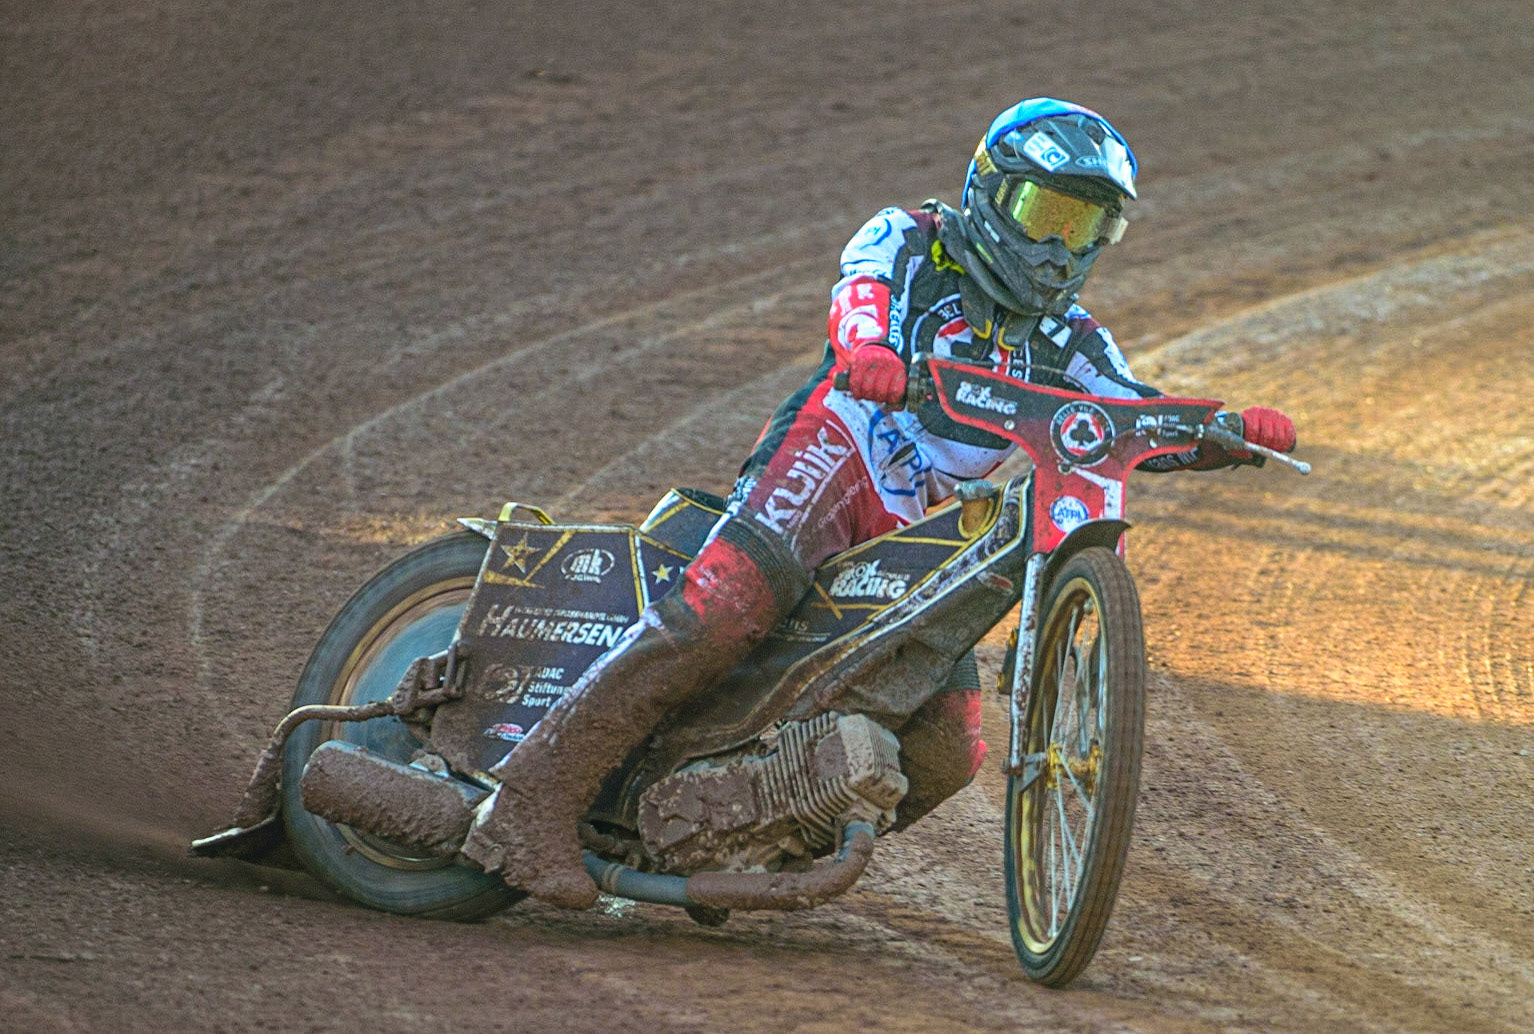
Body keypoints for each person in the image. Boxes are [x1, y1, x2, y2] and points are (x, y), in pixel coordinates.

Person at [463, 98, 1298, 908]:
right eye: (1044, 211)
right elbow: (858, 296)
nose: (1056, 245)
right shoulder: (911, 240)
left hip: (923, 531)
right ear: (989, 190)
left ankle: (740, 829)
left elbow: (1119, 413)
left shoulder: (1070, 340)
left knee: (947, 747)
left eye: (1082, 227)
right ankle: (530, 803)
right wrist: (867, 350)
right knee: (724, 608)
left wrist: (1221, 433)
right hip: (838, 451)